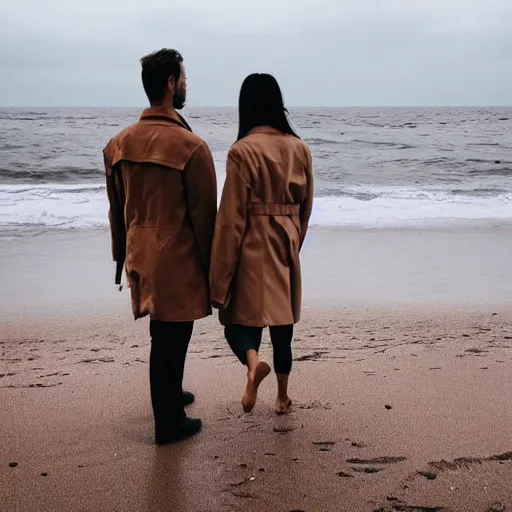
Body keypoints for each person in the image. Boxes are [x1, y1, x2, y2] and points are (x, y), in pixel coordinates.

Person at [103, 49, 217, 444]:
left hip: (140, 252)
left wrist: (120, 256)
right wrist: (215, 269)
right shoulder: (192, 147)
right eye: (183, 78)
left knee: (165, 333)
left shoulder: (118, 144)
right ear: (170, 83)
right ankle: (167, 423)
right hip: (179, 255)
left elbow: (115, 209)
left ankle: (171, 395)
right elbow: (205, 219)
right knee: (171, 335)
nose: (186, 84)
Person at [210, 74, 314, 415]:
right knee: (283, 326)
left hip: (251, 247)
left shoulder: (241, 152)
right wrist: (294, 243)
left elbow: (230, 219)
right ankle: (282, 396)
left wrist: (218, 280)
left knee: (238, 323)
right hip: (285, 245)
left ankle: (253, 364)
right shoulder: (300, 148)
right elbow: (306, 207)